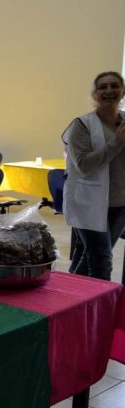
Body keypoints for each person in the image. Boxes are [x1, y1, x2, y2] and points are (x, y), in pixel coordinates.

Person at [63, 71, 125, 281]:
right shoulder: (81, 125)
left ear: (123, 91)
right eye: (103, 87)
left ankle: (70, 293)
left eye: (114, 85)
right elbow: (84, 165)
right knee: (101, 261)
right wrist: (117, 142)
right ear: (94, 94)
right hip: (88, 202)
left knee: (90, 256)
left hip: (119, 203)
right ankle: (100, 301)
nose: (109, 90)